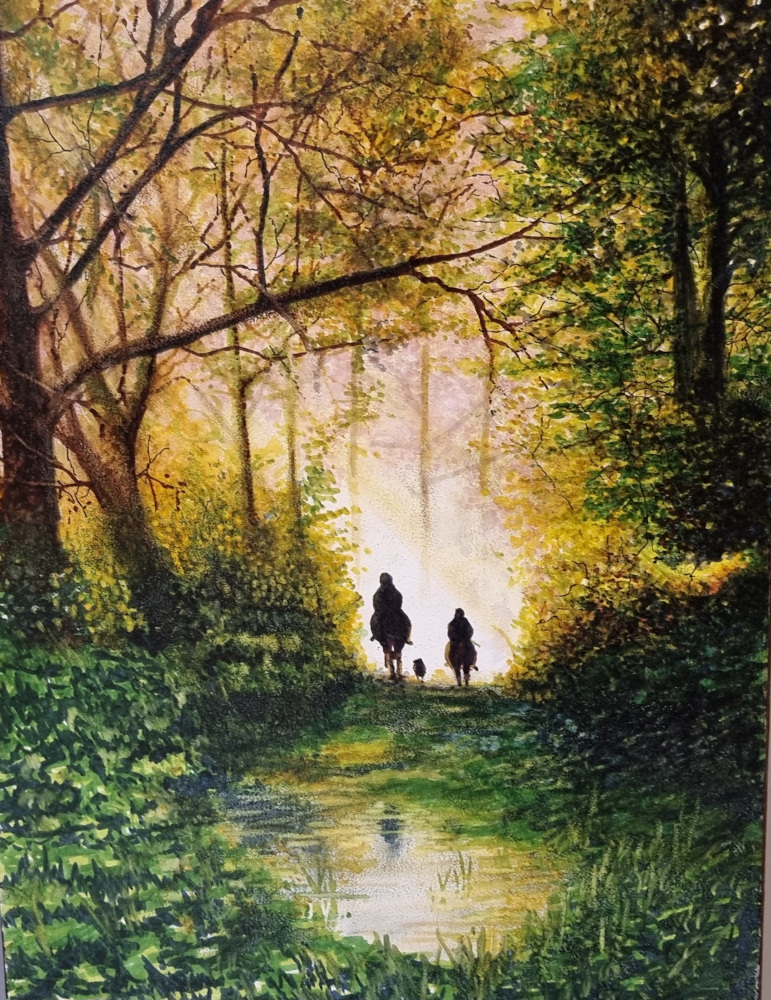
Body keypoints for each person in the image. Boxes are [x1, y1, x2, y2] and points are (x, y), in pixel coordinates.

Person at [370, 573, 412, 679]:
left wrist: (383, 611)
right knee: (407, 623)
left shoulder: (377, 594)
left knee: (375, 622)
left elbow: (376, 607)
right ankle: (407, 638)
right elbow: (399, 603)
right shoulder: (396, 592)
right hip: (395, 615)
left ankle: (375, 634)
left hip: (383, 615)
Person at [447, 608, 478, 686]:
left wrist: (463, 639)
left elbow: (470, 631)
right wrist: (458, 639)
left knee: (470, 650)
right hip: (459, 641)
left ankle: (471, 663)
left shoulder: (462, 621)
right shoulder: (453, 623)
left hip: (462, 641)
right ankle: (461, 679)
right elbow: (450, 633)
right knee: (468, 652)